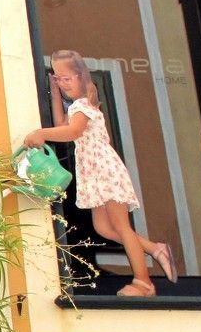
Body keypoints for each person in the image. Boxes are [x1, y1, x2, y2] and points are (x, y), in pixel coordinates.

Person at [24, 49, 175, 297]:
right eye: (59, 79)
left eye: (67, 79)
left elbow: (71, 132)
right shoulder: (76, 107)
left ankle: (144, 283)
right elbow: (62, 125)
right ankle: (155, 249)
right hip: (94, 173)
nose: (63, 84)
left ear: (81, 77)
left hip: (104, 170)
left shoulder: (83, 106)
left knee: (121, 227)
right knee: (104, 228)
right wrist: (54, 94)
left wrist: (41, 133)